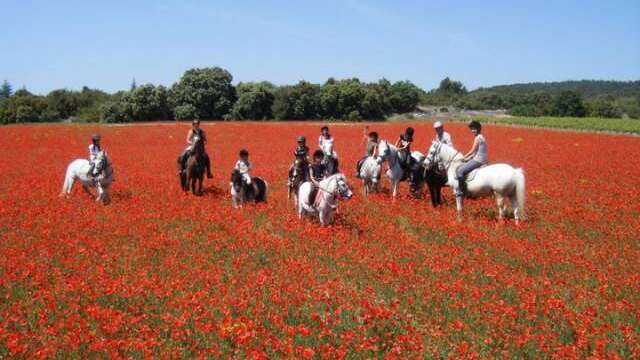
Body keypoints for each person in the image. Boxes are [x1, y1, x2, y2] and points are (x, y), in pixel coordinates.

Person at [456, 120, 488, 196]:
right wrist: (467, 159)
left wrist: (463, 157)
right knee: (465, 163)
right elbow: (476, 152)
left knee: (460, 171)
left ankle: (462, 190)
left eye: (474, 129)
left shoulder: (477, 138)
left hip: (478, 160)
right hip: (481, 159)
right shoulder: (482, 137)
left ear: (478, 129)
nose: (472, 131)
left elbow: (472, 151)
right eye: (472, 129)